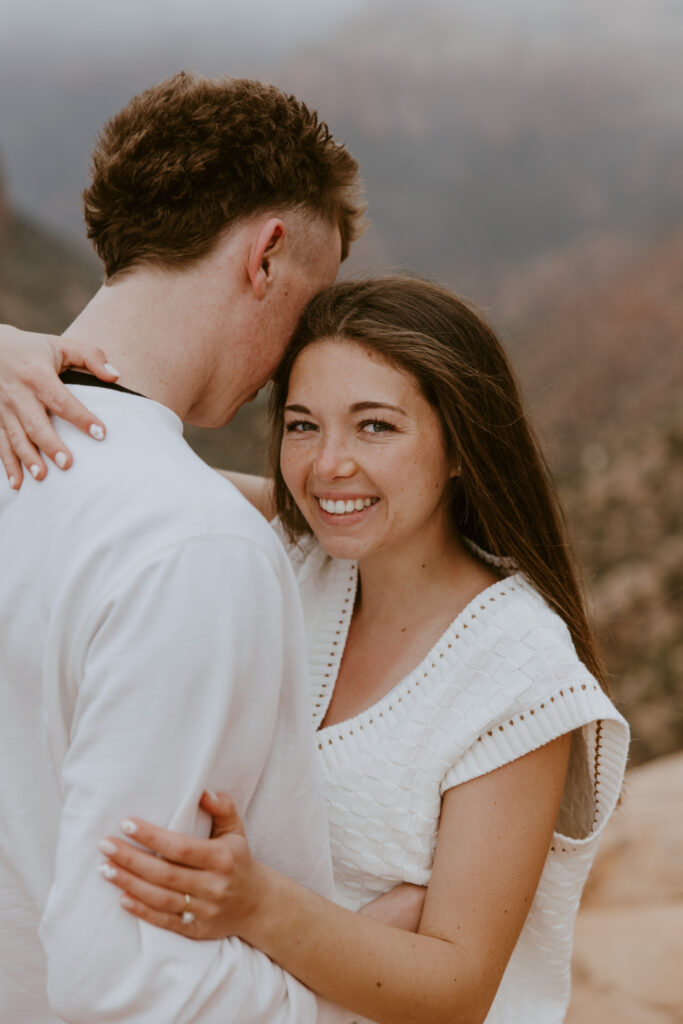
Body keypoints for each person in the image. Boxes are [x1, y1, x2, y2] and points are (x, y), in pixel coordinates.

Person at [0, 276, 629, 1023]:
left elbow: (458, 989)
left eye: (375, 427)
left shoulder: (518, 672)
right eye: (302, 425)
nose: (327, 465)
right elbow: (140, 479)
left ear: (459, 446)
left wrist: (260, 905)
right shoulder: (299, 549)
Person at [0, 69, 370, 1024]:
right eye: (309, 303)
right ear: (267, 254)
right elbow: (129, 982)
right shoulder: (193, 544)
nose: (293, 363)